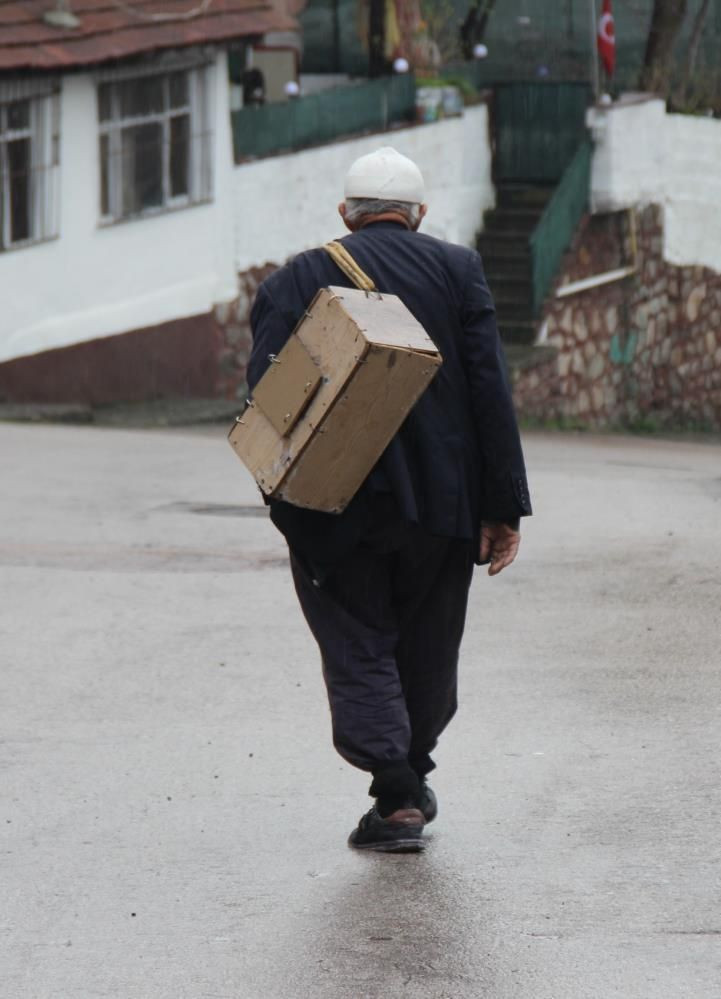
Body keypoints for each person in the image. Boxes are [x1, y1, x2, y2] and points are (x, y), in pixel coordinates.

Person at [247, 147, 532, 852]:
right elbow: (489, 394)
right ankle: (410, 772)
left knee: (358, 639)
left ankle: (398, 793)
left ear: (343, 214)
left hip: (334, 505)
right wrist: (503, 508)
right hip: (442, 503)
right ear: (420, 215)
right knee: (428, 641)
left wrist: (286, 505)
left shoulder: (297, 277)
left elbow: (266, 403)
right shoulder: (457, 270)